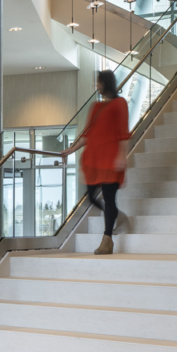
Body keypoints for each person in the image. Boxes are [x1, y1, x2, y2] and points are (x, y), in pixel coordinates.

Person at [63, 69, 130, 255]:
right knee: (91, 197)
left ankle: (107, 240)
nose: (96, 85)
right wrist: (71, 150)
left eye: (98, 82)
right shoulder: (95, 106)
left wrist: (122, 156)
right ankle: (116, 215)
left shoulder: (120, 103)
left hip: (110, 159)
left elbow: (123, 132)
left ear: (106, 83)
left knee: (109, 199)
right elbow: (87, 135)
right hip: (93, 159)